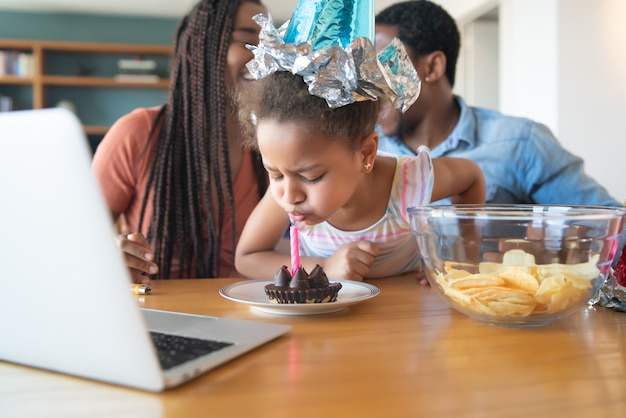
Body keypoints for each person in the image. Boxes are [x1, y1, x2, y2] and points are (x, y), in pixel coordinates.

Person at [234, 71, 486, 282]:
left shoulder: (410, 182)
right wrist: (324, 267)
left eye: (311, 177)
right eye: (275, 174)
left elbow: (471, 176)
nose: (289, 196)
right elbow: (248, 258)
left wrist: (462, 259)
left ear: (366, 152)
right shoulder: (288, 194)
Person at [375, 0, 622, 208]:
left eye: (383, 67)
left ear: (432, 67)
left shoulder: (521, 144)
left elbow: (612, 228)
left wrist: (537, 246)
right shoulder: (362, 150)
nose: (370, 87)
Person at [92, 0, 269, 283]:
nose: (265, 55)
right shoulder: (136, 134)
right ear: (199, 50)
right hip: (159, 314)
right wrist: (110, 256)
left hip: (247, 315)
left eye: (270, 41)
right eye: (248, 41)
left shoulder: (269, 146)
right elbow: (78, 244)